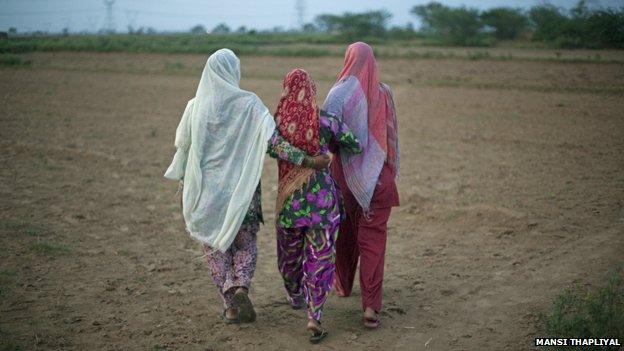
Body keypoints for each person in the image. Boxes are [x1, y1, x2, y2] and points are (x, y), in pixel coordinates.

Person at [164, 49, 329, 324]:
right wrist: (309, 161)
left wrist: (183, 185)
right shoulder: (250, 105)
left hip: (207, 194)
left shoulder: (195, 107)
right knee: (246, 244)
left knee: (215, 249)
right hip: (243, 194)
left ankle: (230, 305)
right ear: (234, 72)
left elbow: (183, 150)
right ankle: (241, 285)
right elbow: (274, 144)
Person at [273, 69, 361, 343]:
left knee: (289, 259)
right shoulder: (326, 120)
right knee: (320, 260)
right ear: (312, 90)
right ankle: (314, 316)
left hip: (290, 205)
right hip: (323, 205)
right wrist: (326, 150)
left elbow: (273, 147)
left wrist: (300, 158)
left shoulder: (276, 123)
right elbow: (355, 145)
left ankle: (295, 294)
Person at [322, 42, 400, 329]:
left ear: (348, 59)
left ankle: (342, 286)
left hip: (345, 178)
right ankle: (370, 307)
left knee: (343, 234)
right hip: (379, 178)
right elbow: (390, 137)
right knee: (373, 242)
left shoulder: (338, 93)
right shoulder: (385, 93)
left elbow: (328, 138)